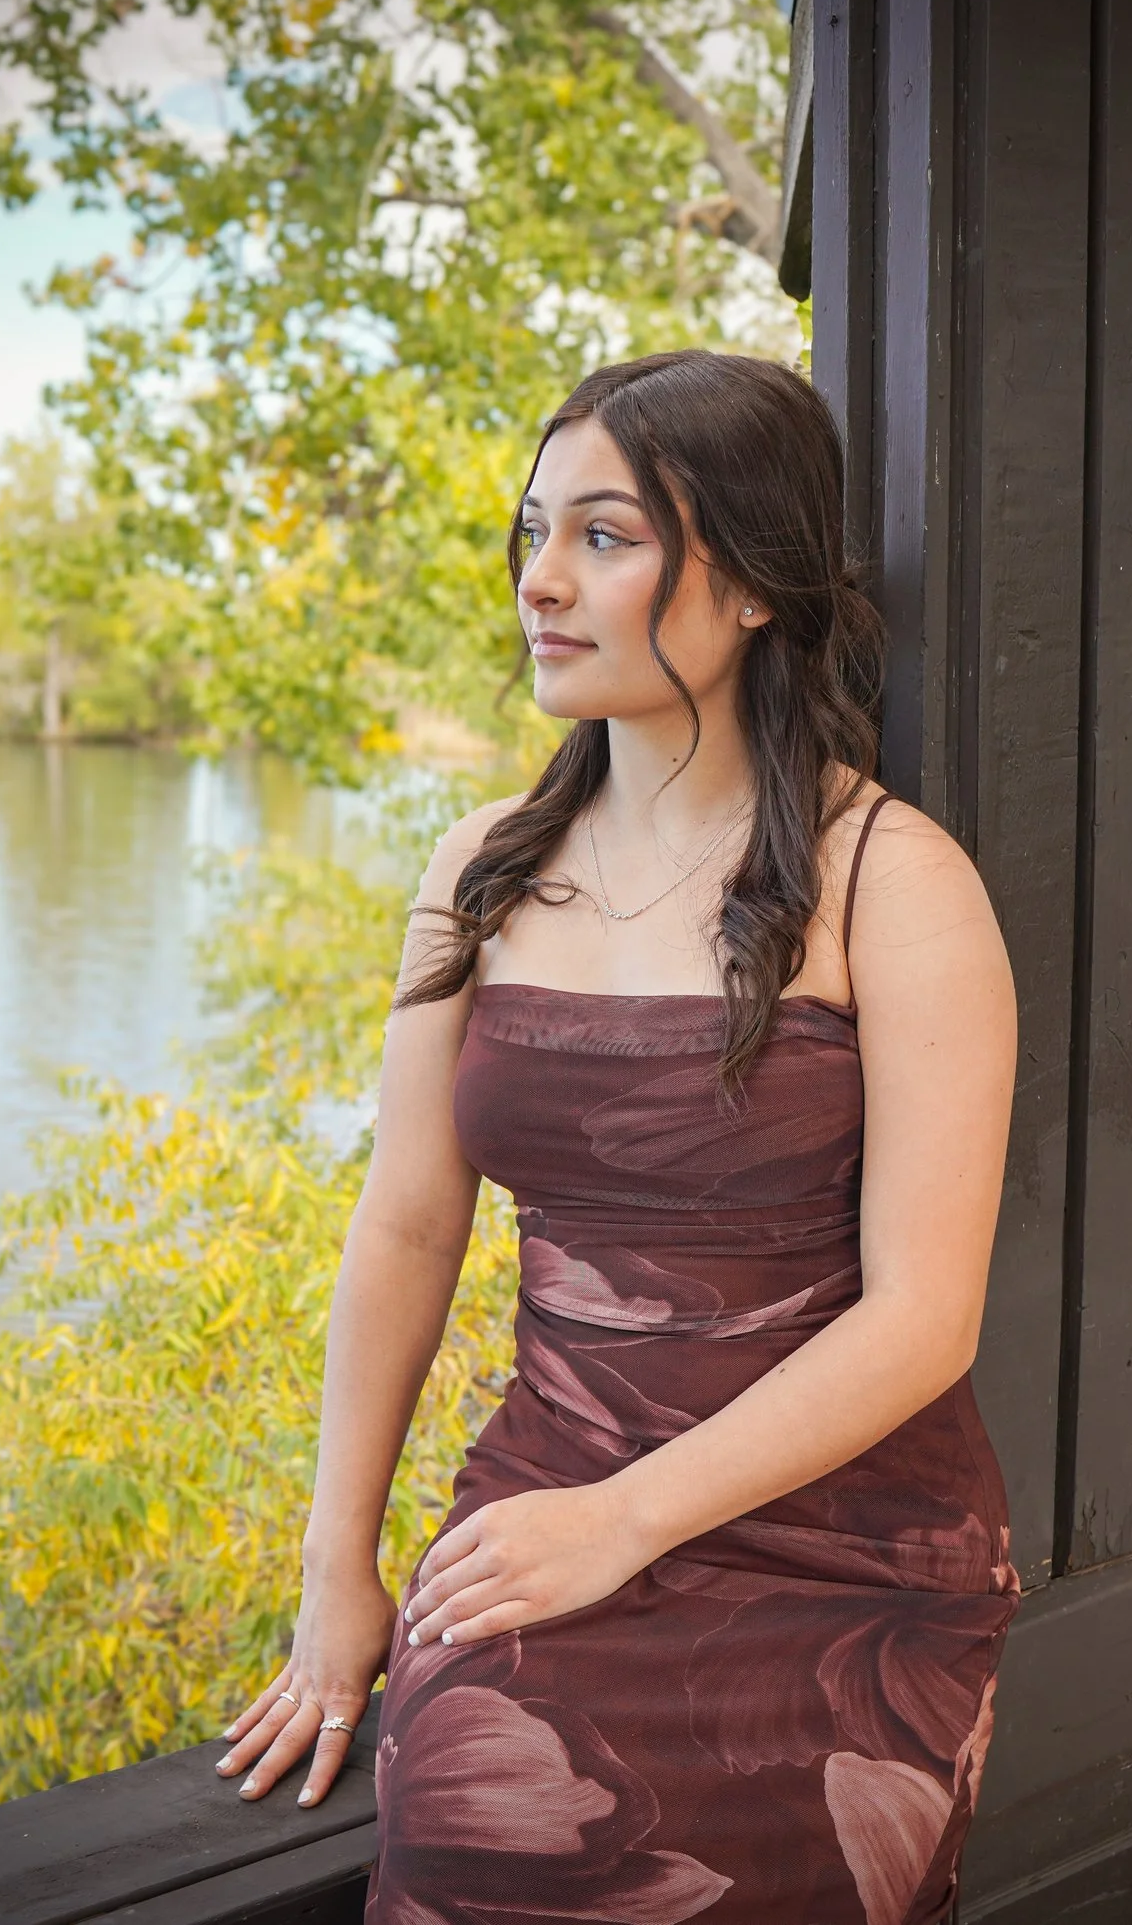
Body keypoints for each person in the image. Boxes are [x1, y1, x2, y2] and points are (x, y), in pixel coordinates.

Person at [214, 349, 1020, 1923]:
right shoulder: (483, 870)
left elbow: (928, 1315)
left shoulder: (893, 882)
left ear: (755, 582)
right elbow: (405, 1223)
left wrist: (629, 1521)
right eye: (533, 533)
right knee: (474, 1833)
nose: (541, 581)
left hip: (845, 1554)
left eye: (605, 536)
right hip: (545, 1491)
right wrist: (339, 1570)